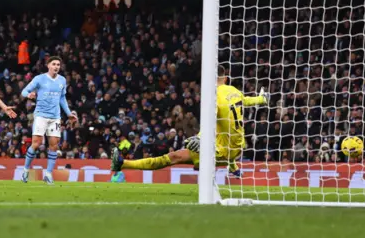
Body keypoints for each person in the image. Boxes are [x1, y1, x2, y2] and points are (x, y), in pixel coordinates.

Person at [111, 65, 269, 177]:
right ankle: (233, 167)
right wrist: (262, 99)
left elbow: (210, 121)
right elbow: (247, 100)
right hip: (234, 145)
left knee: (174, 157)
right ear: (226, 78)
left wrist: (200, 138)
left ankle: (122, 163)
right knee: (223, 133)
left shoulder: (214, 95)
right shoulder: (234, 91)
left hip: (223, 151)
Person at [21, 56, 77, 185]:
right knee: (36, 143)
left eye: (58, 64)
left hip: (55, 117)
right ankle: (25, 171)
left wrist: (68, 114)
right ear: (48, 65)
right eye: (54, 64)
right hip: (41, 115)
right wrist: (28, 95)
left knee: (54, 145)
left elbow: (62, 98)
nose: (56, 66)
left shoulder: (62, 80)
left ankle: (48, 174)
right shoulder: (39, 79)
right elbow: (24, 91)